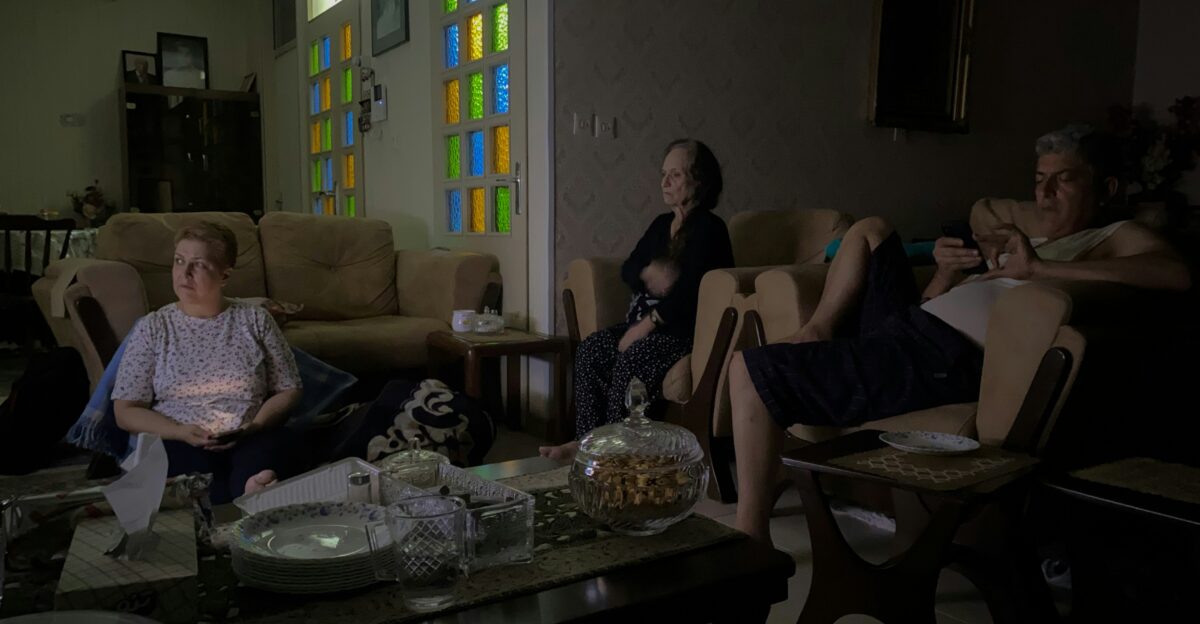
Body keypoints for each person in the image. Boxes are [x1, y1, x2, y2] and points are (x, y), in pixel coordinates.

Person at [728, 125, 1193, 545]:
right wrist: (945, 278)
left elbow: (1176, 275)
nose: (1045, 193)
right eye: (1039, 179)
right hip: (914, 331)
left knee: (748, 369)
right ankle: (818, 332)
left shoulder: (1113, 234)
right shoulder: (1032, 242)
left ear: (1106, 188)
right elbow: (939, 306)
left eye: (1064, 179)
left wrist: (1038, 268)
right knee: (871, 230)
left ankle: (751, 540)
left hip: (940, 352)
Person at [540, 139, 735, 460]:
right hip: (644, 326)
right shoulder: (661, 225)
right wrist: (649, 271)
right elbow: (629, 267)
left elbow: (693, 295)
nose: (664, 182)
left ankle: (613, 452)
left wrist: (647, 325)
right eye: (663, 174)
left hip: (682, 333)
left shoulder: (711, 230)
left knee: (635, 355)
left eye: (675, 174)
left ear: (699, 181)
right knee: (592, 349)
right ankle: (586, 441)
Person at [113, 222, 306, 504]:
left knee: (269, 461)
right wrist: (179, 432)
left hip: (250, 434)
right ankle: (226, 503)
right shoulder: (153, 327)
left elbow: (290, 389)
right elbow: (125, 411)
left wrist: (257, 425)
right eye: (179, 261)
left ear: (224, 275)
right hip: (179, 439)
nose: (184, 273)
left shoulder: (254, 319)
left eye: (198, 265)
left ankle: (253, 490)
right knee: (196, 486)